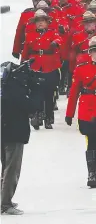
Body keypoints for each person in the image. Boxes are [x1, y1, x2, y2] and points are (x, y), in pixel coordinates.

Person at [65, 36, 96, 188]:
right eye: (95, 50)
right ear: (90, 53)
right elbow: (74, 92)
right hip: (87, 109)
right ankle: (91, 174)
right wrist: (69, 114)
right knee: (92, 141)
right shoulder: (81, 69)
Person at [1, 61, 36, 215]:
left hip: (4, 131)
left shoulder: (5, 88)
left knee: (5, 167)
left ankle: (3, 199)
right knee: (11, 169)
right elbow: (32, 106)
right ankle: (5, 204)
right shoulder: (16, 91)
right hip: (14, 134)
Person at [21, 9, 63, 129]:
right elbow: (25, 51)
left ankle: (49, 117)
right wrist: (23, 64)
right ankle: (37, 115)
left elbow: (60, 40)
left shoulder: (52, 33)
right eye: (38, 21)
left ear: (47, 22)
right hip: (35, 66)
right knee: (35, 93)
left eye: (42, 21)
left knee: (49, 94)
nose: (40, 23)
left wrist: (55, 43)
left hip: (50, 66)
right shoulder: (30, 34)